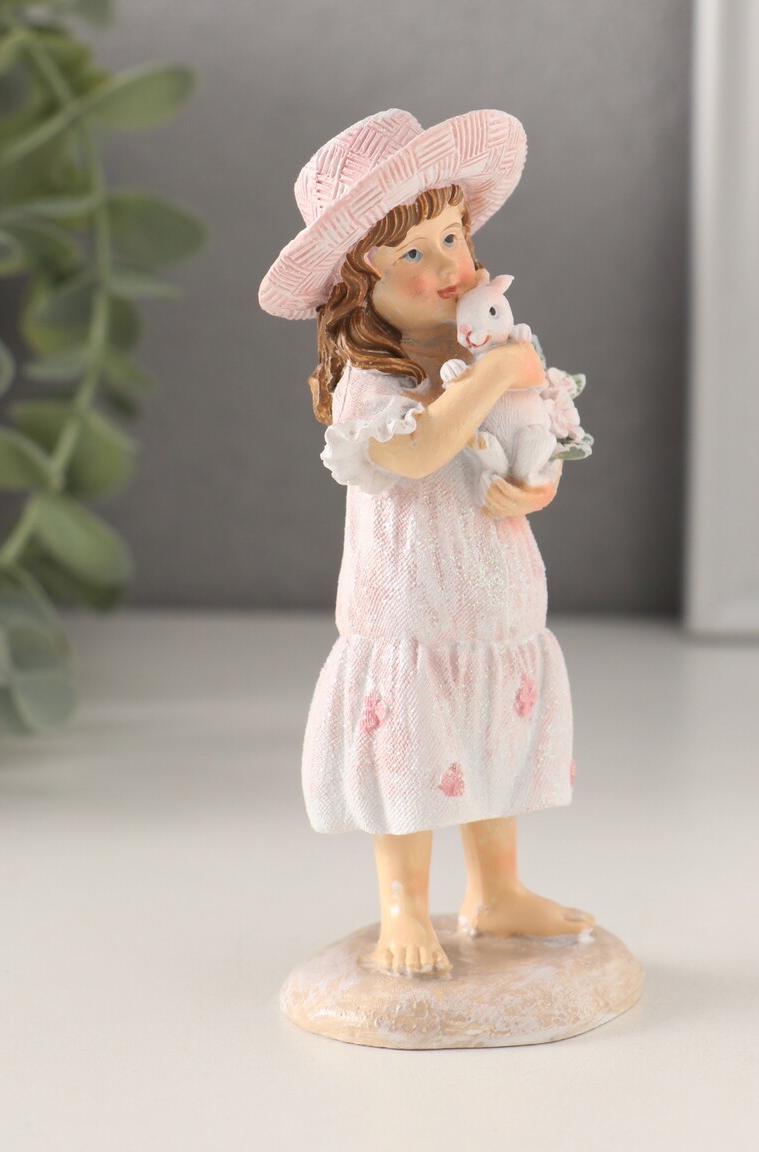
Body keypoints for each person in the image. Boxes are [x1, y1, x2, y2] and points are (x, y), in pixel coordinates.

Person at [260, 109, 594, 976]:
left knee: (492, 742)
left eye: (453, 236)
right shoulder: (372, 383)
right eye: (414, 251)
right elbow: (417, 452)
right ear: (356, 280)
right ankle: (403, 907)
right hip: (410, 601)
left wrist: (540, 483)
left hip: (496, 587)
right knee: (411, 749)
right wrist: (494, 373)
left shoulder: (495, 349)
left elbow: (538, 439)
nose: (449, 266)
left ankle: (497, 891)